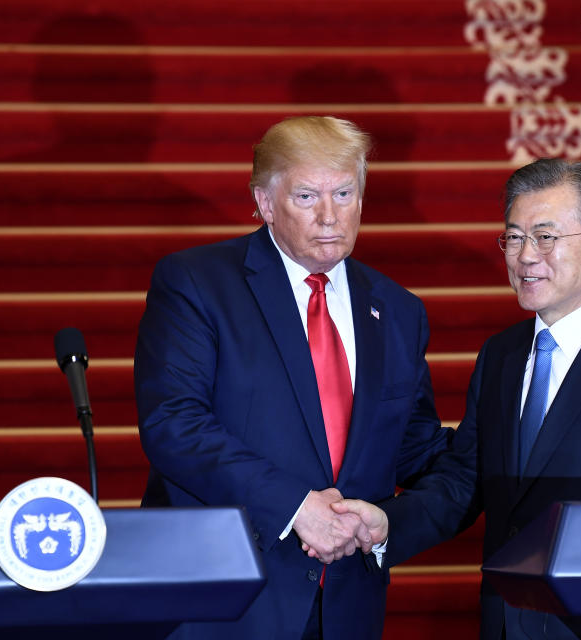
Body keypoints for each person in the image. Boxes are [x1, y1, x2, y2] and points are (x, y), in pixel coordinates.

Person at [335, 158, 581, 639]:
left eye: (545, 237)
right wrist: (386, 523)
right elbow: (464, 479)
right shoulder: (501, 354)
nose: (525, 256)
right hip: (504, 621)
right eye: (514, 238)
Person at [134, 116, 449, 639]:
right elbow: (174, 423)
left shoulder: (397, 310)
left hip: (347, 607)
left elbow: (414, 448)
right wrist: (295, 507)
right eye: (306, 196)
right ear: (264, 203)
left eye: (344, 193)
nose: (330, 216)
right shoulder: (196, 282)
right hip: (226, 598)